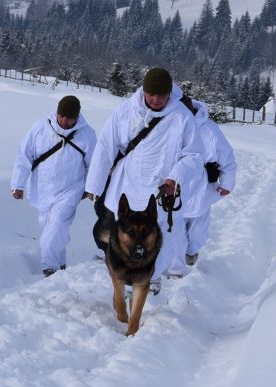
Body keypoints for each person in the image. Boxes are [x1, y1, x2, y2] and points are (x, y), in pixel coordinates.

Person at [84, 67, 204, 293]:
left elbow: (194, 154)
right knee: (127, 235)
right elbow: (105, 146)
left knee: (160, 236)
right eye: (152, 94)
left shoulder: (181, 117)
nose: (156, 99)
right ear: (144, 91)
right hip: (128, 184)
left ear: (170, 93)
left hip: (161, 188)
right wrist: (94, 185)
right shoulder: (127, 110)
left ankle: (152, 277)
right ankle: (128, 279)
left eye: (162, 95)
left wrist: (175, 178)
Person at [11, 95, 97, 277]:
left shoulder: (87, 134)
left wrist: (90, 188)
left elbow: (93, 164)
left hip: (70, 190)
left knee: (57, 224)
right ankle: (60, 263)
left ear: (77, 116)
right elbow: (24, 156)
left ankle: (49, 267)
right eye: (62, 116)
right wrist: (18, 184)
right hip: (42, 189)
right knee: (51, 228)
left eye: (70, 117)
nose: (64, 121)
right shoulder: (40, 128)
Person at [173, 96, 236, 269]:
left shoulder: (210, 130)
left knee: (197, 232)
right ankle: (175, 264)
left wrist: (227, 183)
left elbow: (227, 156)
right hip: (176, 186)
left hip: (202, 189)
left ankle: (192, 250)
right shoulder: (171, 126)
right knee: (174, 230)